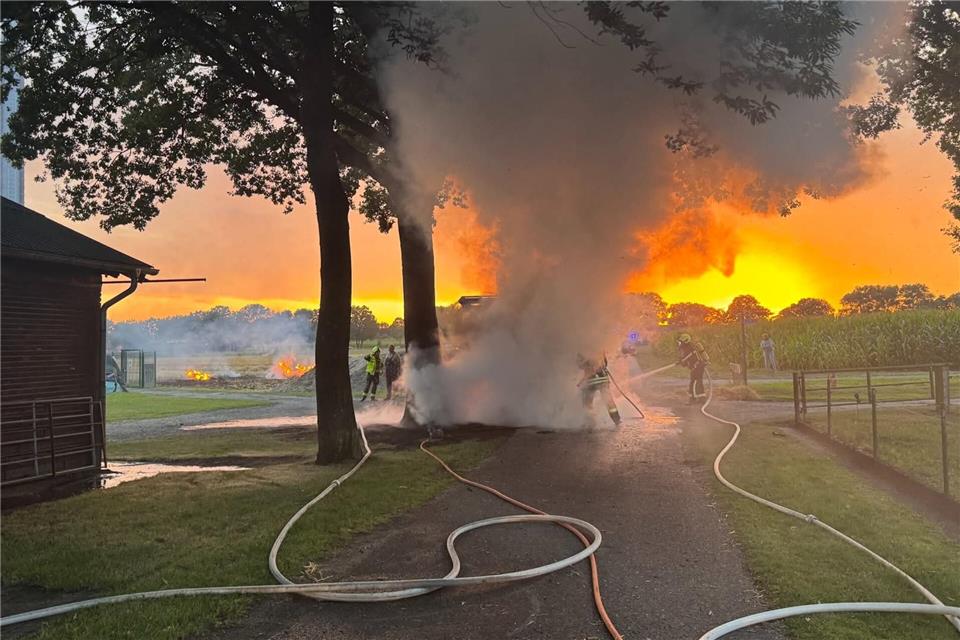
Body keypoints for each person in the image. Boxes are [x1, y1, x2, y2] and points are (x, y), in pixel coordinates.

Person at [577, 353, 622, 427]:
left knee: (587, 402)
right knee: (609, 401)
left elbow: (580, 366)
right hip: (603, 379)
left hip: (591, 381)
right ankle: (617, 419)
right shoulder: (600, 348)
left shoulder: (582, 349)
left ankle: (590, 422)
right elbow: (605, 363)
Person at [677, 333, 709, 403]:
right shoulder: (687, 348)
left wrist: (682, 361)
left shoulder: (689, 348)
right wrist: (682, 362)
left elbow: (686, 359)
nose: (680, 343)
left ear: (685, 341)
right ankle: (697, 398)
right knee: (695, 382)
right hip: (696, 367)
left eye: (681, 342)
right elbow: (685, 360)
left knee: (696, 382)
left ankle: (698, 398)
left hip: (698, 366)